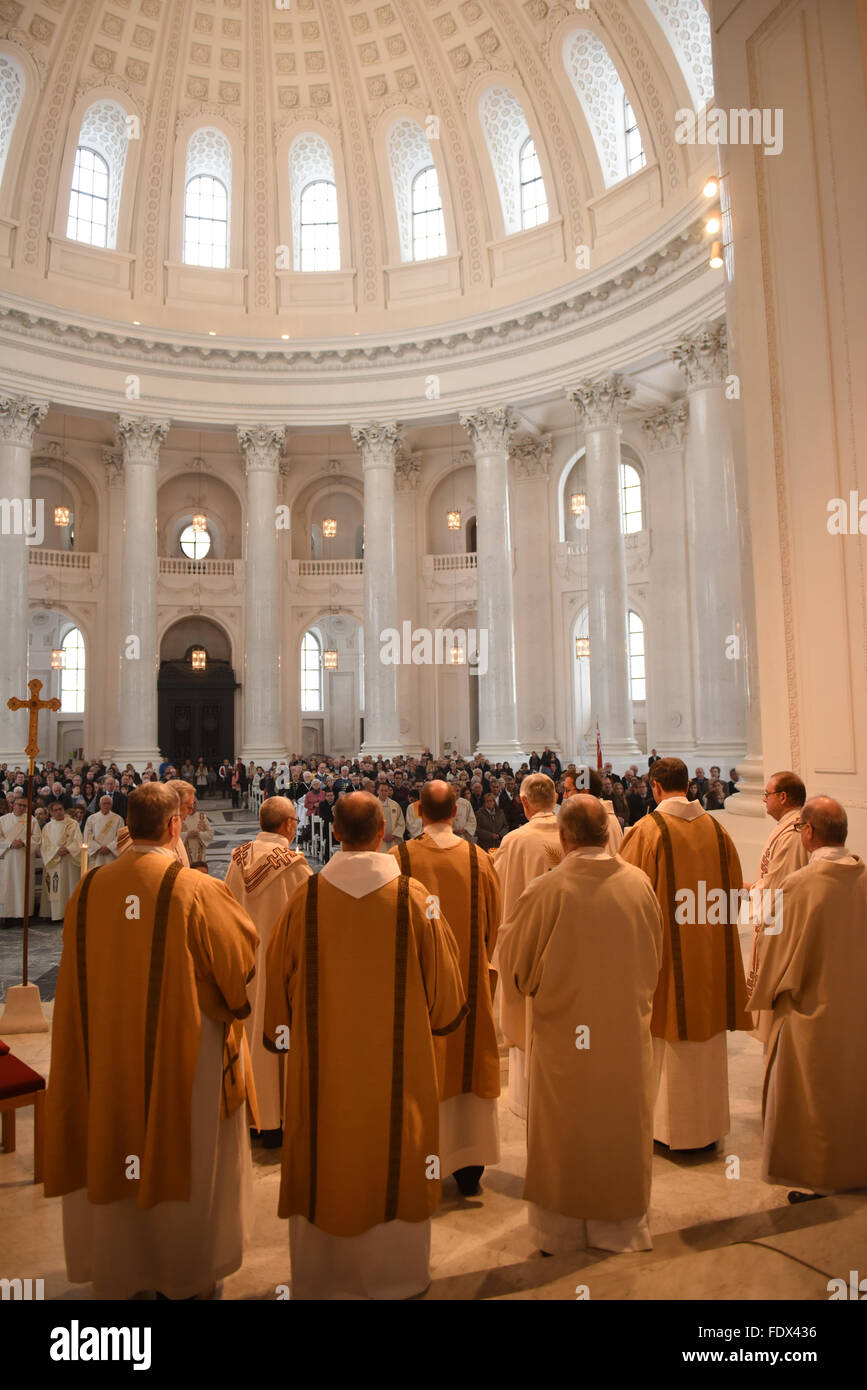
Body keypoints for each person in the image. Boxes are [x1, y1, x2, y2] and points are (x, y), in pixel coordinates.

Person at [43, 782, 259, 1300]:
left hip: (105, 1055)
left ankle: (120, 1271)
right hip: (185, 1056)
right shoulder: (195, 889)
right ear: (173, 826)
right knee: (183, 1152)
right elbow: (240, 966)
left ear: (125, 828)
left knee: (116, 1141)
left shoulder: (90, 890)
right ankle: (182, 1276)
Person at [263, 791, 466, 1300]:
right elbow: (445, 993)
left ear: (334, 833)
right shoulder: (414, 900)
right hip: (399, 1075)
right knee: (397, 1148)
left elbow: (276, 984)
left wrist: (279, 1033)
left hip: (322, 1074)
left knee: (325, 1150)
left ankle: (324, 1278)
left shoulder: (304, 900)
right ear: (382, 833)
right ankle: (396, 1277)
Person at [498, 796, 663, 1254]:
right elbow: (655, 957)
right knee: (620, 1123)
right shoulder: (639, 884)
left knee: (564, 1129)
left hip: (563, 1037)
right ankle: (623, 1229)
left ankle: (561, 1233)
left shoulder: (546, 890)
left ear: (563, 837)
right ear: (607, 833)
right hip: (626, 1035)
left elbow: (515, 970)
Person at [619, 757, 751, 1151]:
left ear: (655, 788)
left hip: (663, 967)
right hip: (709, 962)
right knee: (705, 1048)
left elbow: (626, 903)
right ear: (688, 786)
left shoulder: (646, 832)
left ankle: (667, 1130)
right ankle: (705, 1128)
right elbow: (733, 902)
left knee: (666, 1045)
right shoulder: (717, 830)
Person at [749, 797, 867, 1201]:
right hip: (859, 1011)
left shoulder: (799, 887)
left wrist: (764, 993)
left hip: (812, 1011)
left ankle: (821, 1179)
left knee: (815, 1098)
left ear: (810, 834)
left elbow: (779, 957)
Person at [390, 781, 501, 1198]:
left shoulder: (399, 857)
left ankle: (422, 1162)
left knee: (422, 1066)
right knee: (467, 1065)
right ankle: (469, 1168)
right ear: (456, 812)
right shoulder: (478, 859)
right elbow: (495, 921)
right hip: (470, 984)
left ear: (417, 811)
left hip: (417, 990)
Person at [224, 796, 311, 1147]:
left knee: (247, 1033)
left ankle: (254, 1116)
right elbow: (309, 916)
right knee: (280, 1033)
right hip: (282, 967)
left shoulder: (237, 858)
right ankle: (278, 1117)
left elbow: (226, 909)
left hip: (245, 965)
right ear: (289, 824)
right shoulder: (293, 865)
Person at [491, 772, 563, 1118]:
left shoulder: (516, 841)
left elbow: (499, 891)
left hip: (527, 950)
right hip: (567, 947)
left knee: (527, 1020)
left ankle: (525, 1096)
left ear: (523, 803)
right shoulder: (573, 833)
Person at [744, 772, 809, 1043]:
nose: (764, 799)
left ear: (783, 797)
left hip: (784, 929)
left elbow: (782, 889)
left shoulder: (794, 833)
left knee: (780, 1020)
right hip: (778, 921)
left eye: (767, 794)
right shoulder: (789, 825)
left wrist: (747, 890)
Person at [0, 793, 42, 927]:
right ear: (13, 805)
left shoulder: (32, 820)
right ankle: (6, 916)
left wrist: (23, 842)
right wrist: (9, 844)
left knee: (23, 886)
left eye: (25, 806)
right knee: (7, 886)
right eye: (19, 805)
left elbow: (37, 838)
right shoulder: (3, 820)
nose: (22, 808)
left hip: (24, 858)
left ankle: (23, 916)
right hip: (7, 858)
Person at [38, 802, 83, 922]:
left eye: (61, 809)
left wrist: (68, 849)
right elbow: (45, 845)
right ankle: (56, 914)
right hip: (55, 861)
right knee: (56, 888)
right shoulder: (47, 827)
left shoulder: (73, 824)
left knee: (69, 886)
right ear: (51, 813)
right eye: (56, 810)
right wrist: (56, 850)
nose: (59, 812)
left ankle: (70, 914)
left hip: (69, 860)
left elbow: (78, 840)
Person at [83, 795, 125, 863]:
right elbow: (87, 836)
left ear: (111, 805)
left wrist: (109, 848)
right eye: (104, 803)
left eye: (108, 803)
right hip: (96, 854)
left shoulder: (118, 819)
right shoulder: (91, 818)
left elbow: (120, 837)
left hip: (111, 854)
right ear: (99, 805)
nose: (106, 805)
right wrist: (97, 848)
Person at [376, 779, 406, 853]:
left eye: (386, 791)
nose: (384, 792)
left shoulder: (395, 805)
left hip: (393, 840)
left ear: (388, 792)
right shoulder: (372, 805)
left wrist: (393, 835)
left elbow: (401, 823)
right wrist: (380, 835)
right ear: (377, 791)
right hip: (378, 840)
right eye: (381, 790)